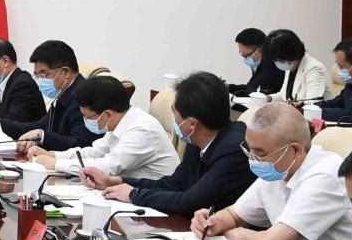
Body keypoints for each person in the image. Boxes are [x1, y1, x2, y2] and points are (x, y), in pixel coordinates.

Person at [192, 103, 352, 240]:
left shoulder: (326, 175)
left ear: (295, 150)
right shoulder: (279, 168)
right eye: (249, 150)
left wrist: (235, 233)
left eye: (260, 152)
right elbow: (234, 214)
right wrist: (211, 223)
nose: (253, 159)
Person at [104, 71, 253, 216]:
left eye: (175, 114)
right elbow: (174, 184)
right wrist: (118, 181)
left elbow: (190, 202)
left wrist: (133, 195)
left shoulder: (234, 151)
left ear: (192, 124)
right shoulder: (197, 139)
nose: (174, 120)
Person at [30, 76, 178, 182]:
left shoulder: (142, 130)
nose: (85, 121)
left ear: (107, 114)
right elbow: (93, 152)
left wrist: (55, 164)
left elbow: (108, 167)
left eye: (87, 117)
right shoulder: (119, 123)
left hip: (157, 205)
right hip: (131, 193)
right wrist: (53, 155)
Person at [7, 40, 100, 152]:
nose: (40, 80)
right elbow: (38, 127)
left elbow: (82, 144)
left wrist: (43, 136)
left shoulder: (84, 98)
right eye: (37, 76)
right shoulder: (64, 93)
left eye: (44, 74)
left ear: (65, 72)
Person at [265, 29, 330, 105]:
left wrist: (295, 105)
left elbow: (313, 102)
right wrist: (269, 98)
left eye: (278, 60)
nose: (276, 63)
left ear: (289, 54)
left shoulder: (314, 68)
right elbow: (284, 96)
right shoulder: (291, 66)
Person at [230, 28, 283, 97]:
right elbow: (251, 87)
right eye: (242, 55)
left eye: (247, 55)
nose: (246, 59)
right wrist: (229, 87)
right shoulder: (262, 65)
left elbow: (257, 93)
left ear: (260, 49)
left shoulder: (271, 68)